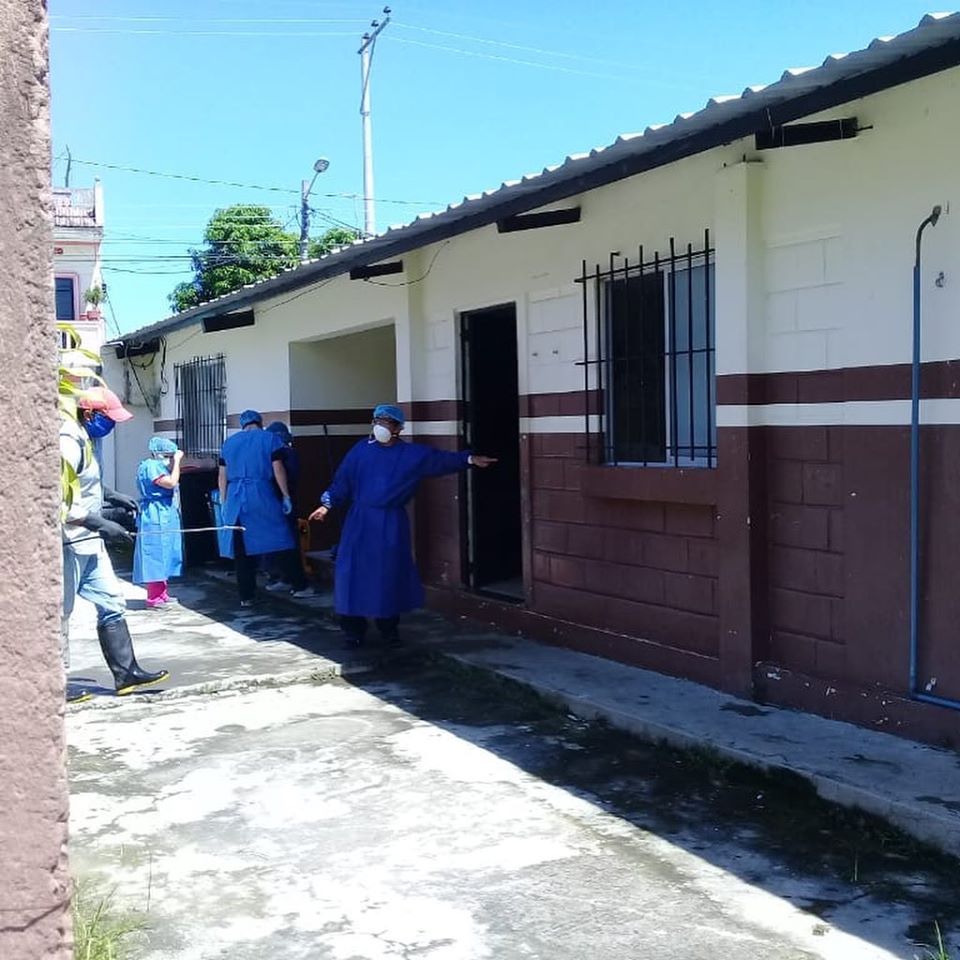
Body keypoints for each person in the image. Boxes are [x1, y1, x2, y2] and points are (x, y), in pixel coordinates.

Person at [308, 403, 496, 646]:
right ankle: (353, 631)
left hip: (390, 524)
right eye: (377, 421)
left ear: (398, 428)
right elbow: (342, 482)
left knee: (387, 575)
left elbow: (442, 460)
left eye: (386, 422)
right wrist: (326, 505)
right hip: (359, 522)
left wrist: (469, 459)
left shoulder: (412, 456)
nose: (380, 426)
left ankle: (389, 629)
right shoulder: (360, 451)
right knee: (351, 574)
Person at [61, 386, 169, 698]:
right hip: (68, 540)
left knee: (112, 602)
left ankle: (127, 673)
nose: (111, 425)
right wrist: (103, 524)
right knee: (59, 613)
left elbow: (86, 480)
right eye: (108, 419)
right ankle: (53, 685)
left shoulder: (87, 439)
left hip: (90, 540)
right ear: (89, 413)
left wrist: (112, 495)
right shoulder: (67, 440)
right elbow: (61, 499)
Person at [218, 409, 299, 607]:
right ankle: (297, 584)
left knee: (242, 549)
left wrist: (223, 501)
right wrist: (286, 495)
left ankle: (246, 596)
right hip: (262, 494)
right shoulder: (269, 439)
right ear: (260, 422)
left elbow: (222, 475)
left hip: (236, 498)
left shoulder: (229, 443)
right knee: (282, 538)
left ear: (243, 424)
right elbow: (278, 469)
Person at [262, 420, 313, 598]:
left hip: (273, 503)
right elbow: (291, 477)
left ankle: (284, 578)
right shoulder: (287, 454)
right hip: (284, 503)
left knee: (278, 544)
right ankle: (296, 583)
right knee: (288, 543)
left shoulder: (272, 455)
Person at [133, 437, 184, 608]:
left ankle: (162, 593)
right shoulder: (151, 466)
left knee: (166, 552)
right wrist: (177, 462)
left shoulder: (157, 466)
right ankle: (153, 597)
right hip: (155, 514)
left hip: (164, 511)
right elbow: (170, 483)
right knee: (154, 554)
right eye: (167, 456)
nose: (169, 459)